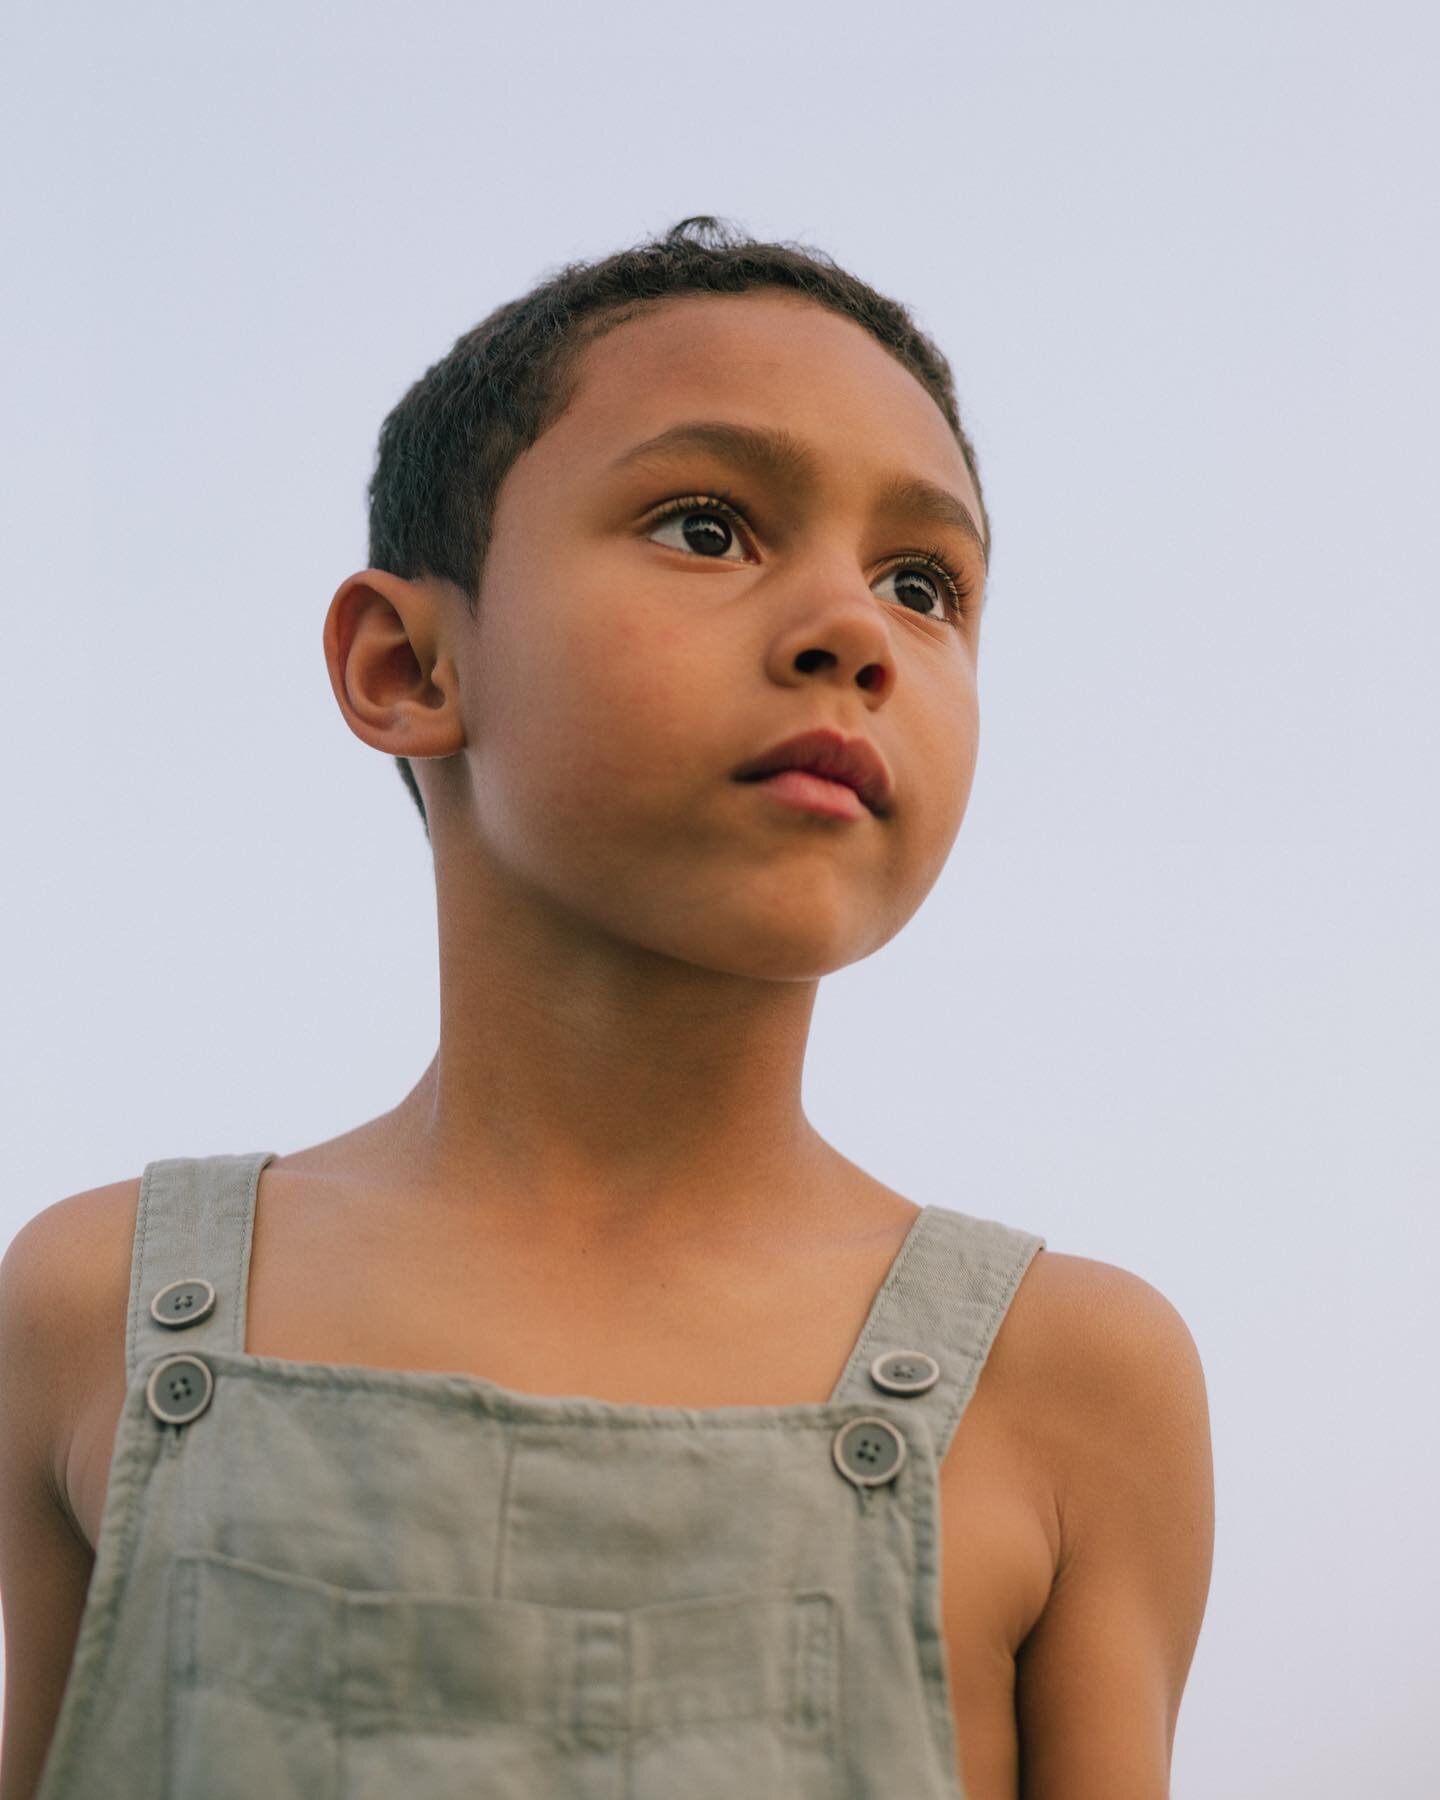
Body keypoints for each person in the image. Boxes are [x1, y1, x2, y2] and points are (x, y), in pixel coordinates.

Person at [0, 215, 1214, 1799]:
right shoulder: (97, 1302)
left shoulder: (1075, 1379)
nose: (856, 631)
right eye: (708, 527)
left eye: (925, 582)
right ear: (406, 666)